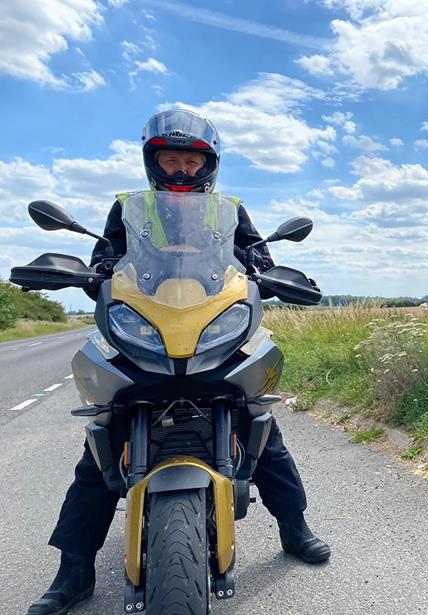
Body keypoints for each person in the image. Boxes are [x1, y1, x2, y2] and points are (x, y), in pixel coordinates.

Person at [27, 109, 330, 615]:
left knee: (261, 425)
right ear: (153, 161)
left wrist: (272, 277)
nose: (182, 171)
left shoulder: (227, 210)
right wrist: (87, 275)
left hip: (215, 322)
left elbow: (257, 258)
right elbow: (109, 257)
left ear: (208, 165)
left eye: (192, 161)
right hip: (144, 325)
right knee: (102, 442)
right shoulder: (127, 208)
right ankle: (73, 569)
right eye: (171, 159)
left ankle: (295, 528)